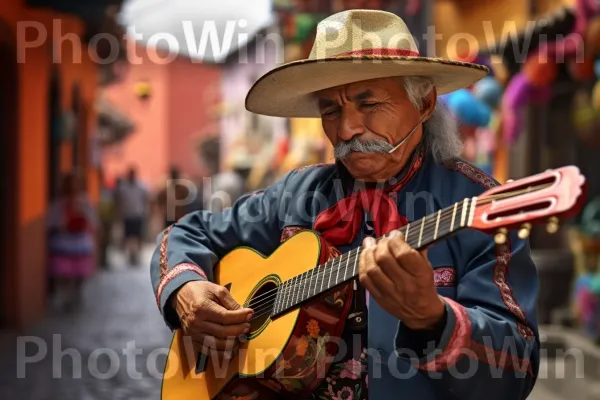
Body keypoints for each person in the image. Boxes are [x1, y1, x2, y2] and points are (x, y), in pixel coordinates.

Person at [150, 10, 539, 400]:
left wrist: (435, 321)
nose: (347, 128)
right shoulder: (297, 194)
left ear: (423, 103)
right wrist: (187, 288)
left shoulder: (475, 203)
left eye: (368, 104)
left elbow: (517, 368)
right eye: (331, 110)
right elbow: (188, 232)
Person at [47, 172, 97, 311]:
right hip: (64, 239)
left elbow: (92, 219)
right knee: (64, 271)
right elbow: (52, 220)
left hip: (80, 240)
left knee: (80, 272)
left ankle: (76, 294)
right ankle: (67, 297)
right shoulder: (59, 202)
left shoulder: (85, 200)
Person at [116, 167, 149, 265]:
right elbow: (118, 201)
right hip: (127, 214)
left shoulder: (141, 187)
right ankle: (130, 255)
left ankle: (137, 254)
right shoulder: (122, 187)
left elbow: (145, 199)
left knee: (138, 236)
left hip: (138, 214)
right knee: (128, 237)